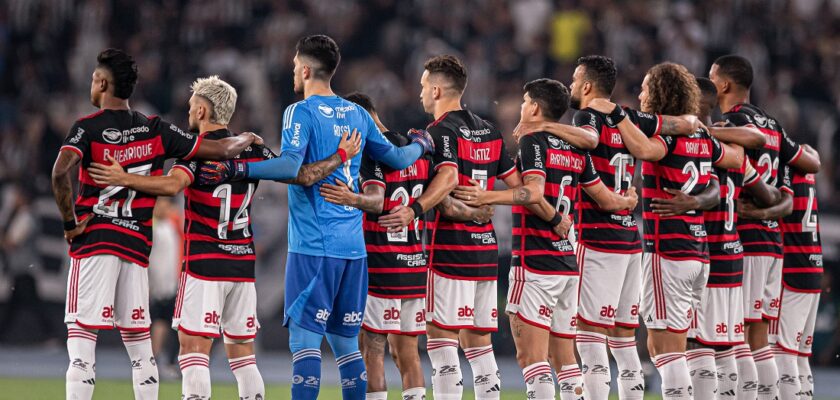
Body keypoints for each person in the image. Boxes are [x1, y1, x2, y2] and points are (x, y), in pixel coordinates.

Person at [197, 35, 433, 400]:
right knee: (346, 346)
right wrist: (422, 143)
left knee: (305, 343)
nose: (293, 71)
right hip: (353, 251)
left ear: (305, 69)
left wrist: (238, 169)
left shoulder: (300, 112)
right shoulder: (356, 113)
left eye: (295, 65)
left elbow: (293, 167)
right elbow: (399, 160)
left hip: (313, 248)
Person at [51, 48, 259, 400]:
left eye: (93, 78)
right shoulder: (156, 129)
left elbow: (60, 173)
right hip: (135, 247)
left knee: (83, 339)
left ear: (102, 82)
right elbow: (221, 149)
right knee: (140, 346)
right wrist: (247, 139)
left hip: (96, 240)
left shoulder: (86, 128)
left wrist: (71, 223)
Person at [514, 55, 699, 400]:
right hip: (630, 238)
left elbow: (588, 140)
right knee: (624, 338)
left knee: (589, 334)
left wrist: (543, 126)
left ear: (586, 85)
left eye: (573, 80)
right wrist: (691, 123)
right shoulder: (630, 117)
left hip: (598, 239)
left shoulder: (587, 116)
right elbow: (686, 123)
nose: (570, 87)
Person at [452, 78, 636, 400]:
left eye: (525, 101)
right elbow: (605, 199)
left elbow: (532, 193)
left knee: (531, 359)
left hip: (536, 263)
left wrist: (486, 197)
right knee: (565, 361)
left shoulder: (534, 141)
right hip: (568, 264)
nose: (522, 106)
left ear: (535, 107)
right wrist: (628, 200)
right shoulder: (576, 148)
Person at [589, 62, 742, 400]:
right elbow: (734, 159)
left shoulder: (667, 136)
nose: (642, 93)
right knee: (690, 346)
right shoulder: (701, 135)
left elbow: (644, 150)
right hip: (699, 255)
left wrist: (616, 116)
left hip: (668, 251)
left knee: (663, 348)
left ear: (659, 92)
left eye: (645, 88)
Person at [319, 92, 457, 400]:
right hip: (414, 265)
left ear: (360, 116)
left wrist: (350, 198)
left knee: (372, 350)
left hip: (380, 266)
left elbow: (376, 199)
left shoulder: (371, 151)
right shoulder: (415, 149)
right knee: (408, 353)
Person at [709, 54, 820, 400]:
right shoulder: (773, 124)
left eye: (711, 77)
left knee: (741, 336)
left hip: (748, 242)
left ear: (724, 85)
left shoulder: (734, 124)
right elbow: (808, 162)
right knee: (760, 339)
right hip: (772, 243)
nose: (707, 82)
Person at [739, 148, 822, 400]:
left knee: (781, 351)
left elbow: (778, 204)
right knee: (799, 354)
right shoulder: (806, 168)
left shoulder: (783, 170)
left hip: (792, 270)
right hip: (813, 265)